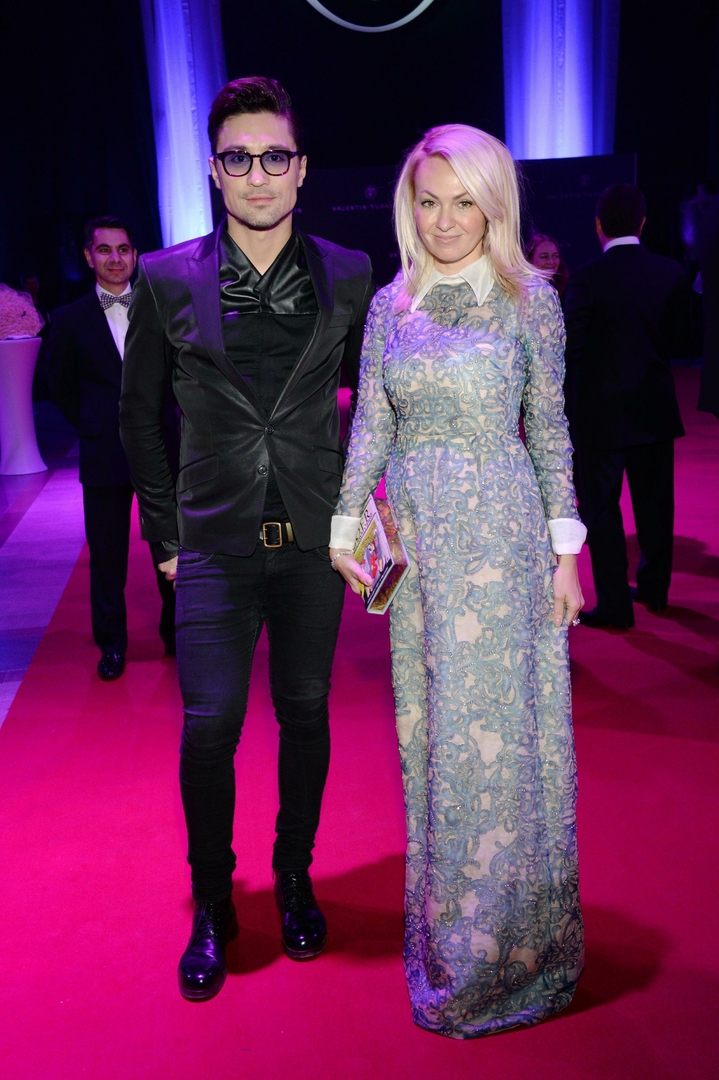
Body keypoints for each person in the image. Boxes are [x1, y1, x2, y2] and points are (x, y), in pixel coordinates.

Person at [119, 77, 373, 1001]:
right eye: (239, 157)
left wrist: (362, 515)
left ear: (301, 169)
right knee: (210, 726)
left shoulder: (350, 272)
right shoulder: (164, 278)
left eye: (274, 156)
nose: (257, 174)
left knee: (305, 713)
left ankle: (295, 877)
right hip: (213, 545)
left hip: (310, 543)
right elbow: (138, 418)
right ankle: (213, 900)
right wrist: (165, 537)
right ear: (214, 170)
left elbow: (377, 403)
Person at [330, 124, 586, 1038]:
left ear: (494, 205)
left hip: (502, 542)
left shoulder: (529, 300)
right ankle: (451, 939)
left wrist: (566, 553)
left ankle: (517, 949)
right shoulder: (390, 304)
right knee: (435, 740)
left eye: (464, 202)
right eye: (429, 201)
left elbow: (548, 428)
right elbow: (372, 424)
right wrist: (344, 525)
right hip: (422, 553)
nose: (444, 221)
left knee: (505, 743)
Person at [47, 216, 177, 680]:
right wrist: (92, 424)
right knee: (107, 556)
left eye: (123, 249)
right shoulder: (70, 319)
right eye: (105, 250)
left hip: (162, 449)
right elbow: (58, 385)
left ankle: (177, 638)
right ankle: (112, 646)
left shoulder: (160, 307)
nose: (115, 258)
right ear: (89, 257)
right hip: (104, 453)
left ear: (135, 255)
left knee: (173, 548)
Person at [564, 184, 691, 628]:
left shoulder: (586, 277)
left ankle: (615, 605)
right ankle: (654, 588)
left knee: (601, 509)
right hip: (654, 407)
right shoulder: (670, 272)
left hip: (599, 414)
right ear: (643, 222)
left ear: (598, 225)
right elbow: (678, 339)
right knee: (656, 504)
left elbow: (572, 348)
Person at [525, 232, 569, 300]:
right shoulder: (521, 289)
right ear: (530, 259)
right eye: (544, 257)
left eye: (555, 256)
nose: (551, 262)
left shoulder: (568, 290)